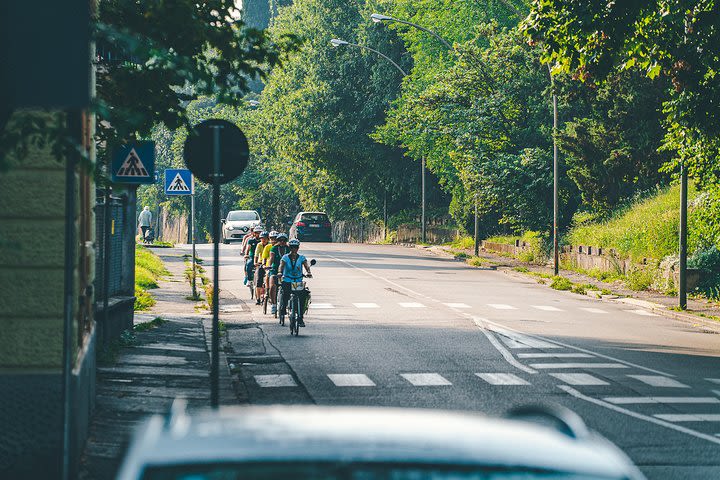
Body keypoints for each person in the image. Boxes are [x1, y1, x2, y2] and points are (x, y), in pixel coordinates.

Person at [278, 239, 312, 327]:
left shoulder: (302, 258)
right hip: (287, 280)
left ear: (298, 248)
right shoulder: (285, 257)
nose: (294, 249)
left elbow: (306, 265)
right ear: (289, 248)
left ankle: (300, 317)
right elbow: (281, 266)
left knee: (303, 296)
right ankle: (283, 308)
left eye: (296, 247)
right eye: (292, 247)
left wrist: (308, 272)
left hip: (298, 281)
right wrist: (280, 273)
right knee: (285, 293)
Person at [267, 233, 289, 315]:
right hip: (275, 269)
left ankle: (287, 304)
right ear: (278, 241)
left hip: (286, 270)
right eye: (280, 240)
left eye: (284, 240)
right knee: (272, 286)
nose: (282, 242)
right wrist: (269, 266)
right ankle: (274, 304)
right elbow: (271, 258)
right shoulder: (274, 248)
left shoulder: (288, 249)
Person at [253, 231, 270, 304]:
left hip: (268, 264)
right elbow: (256, 255)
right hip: (260, 263)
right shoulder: (259, 245)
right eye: (262, 238)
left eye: (265, 238)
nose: (263, 240)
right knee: (259, 280)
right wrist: (255, 262)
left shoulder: (270, 245)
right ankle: (258, 298)